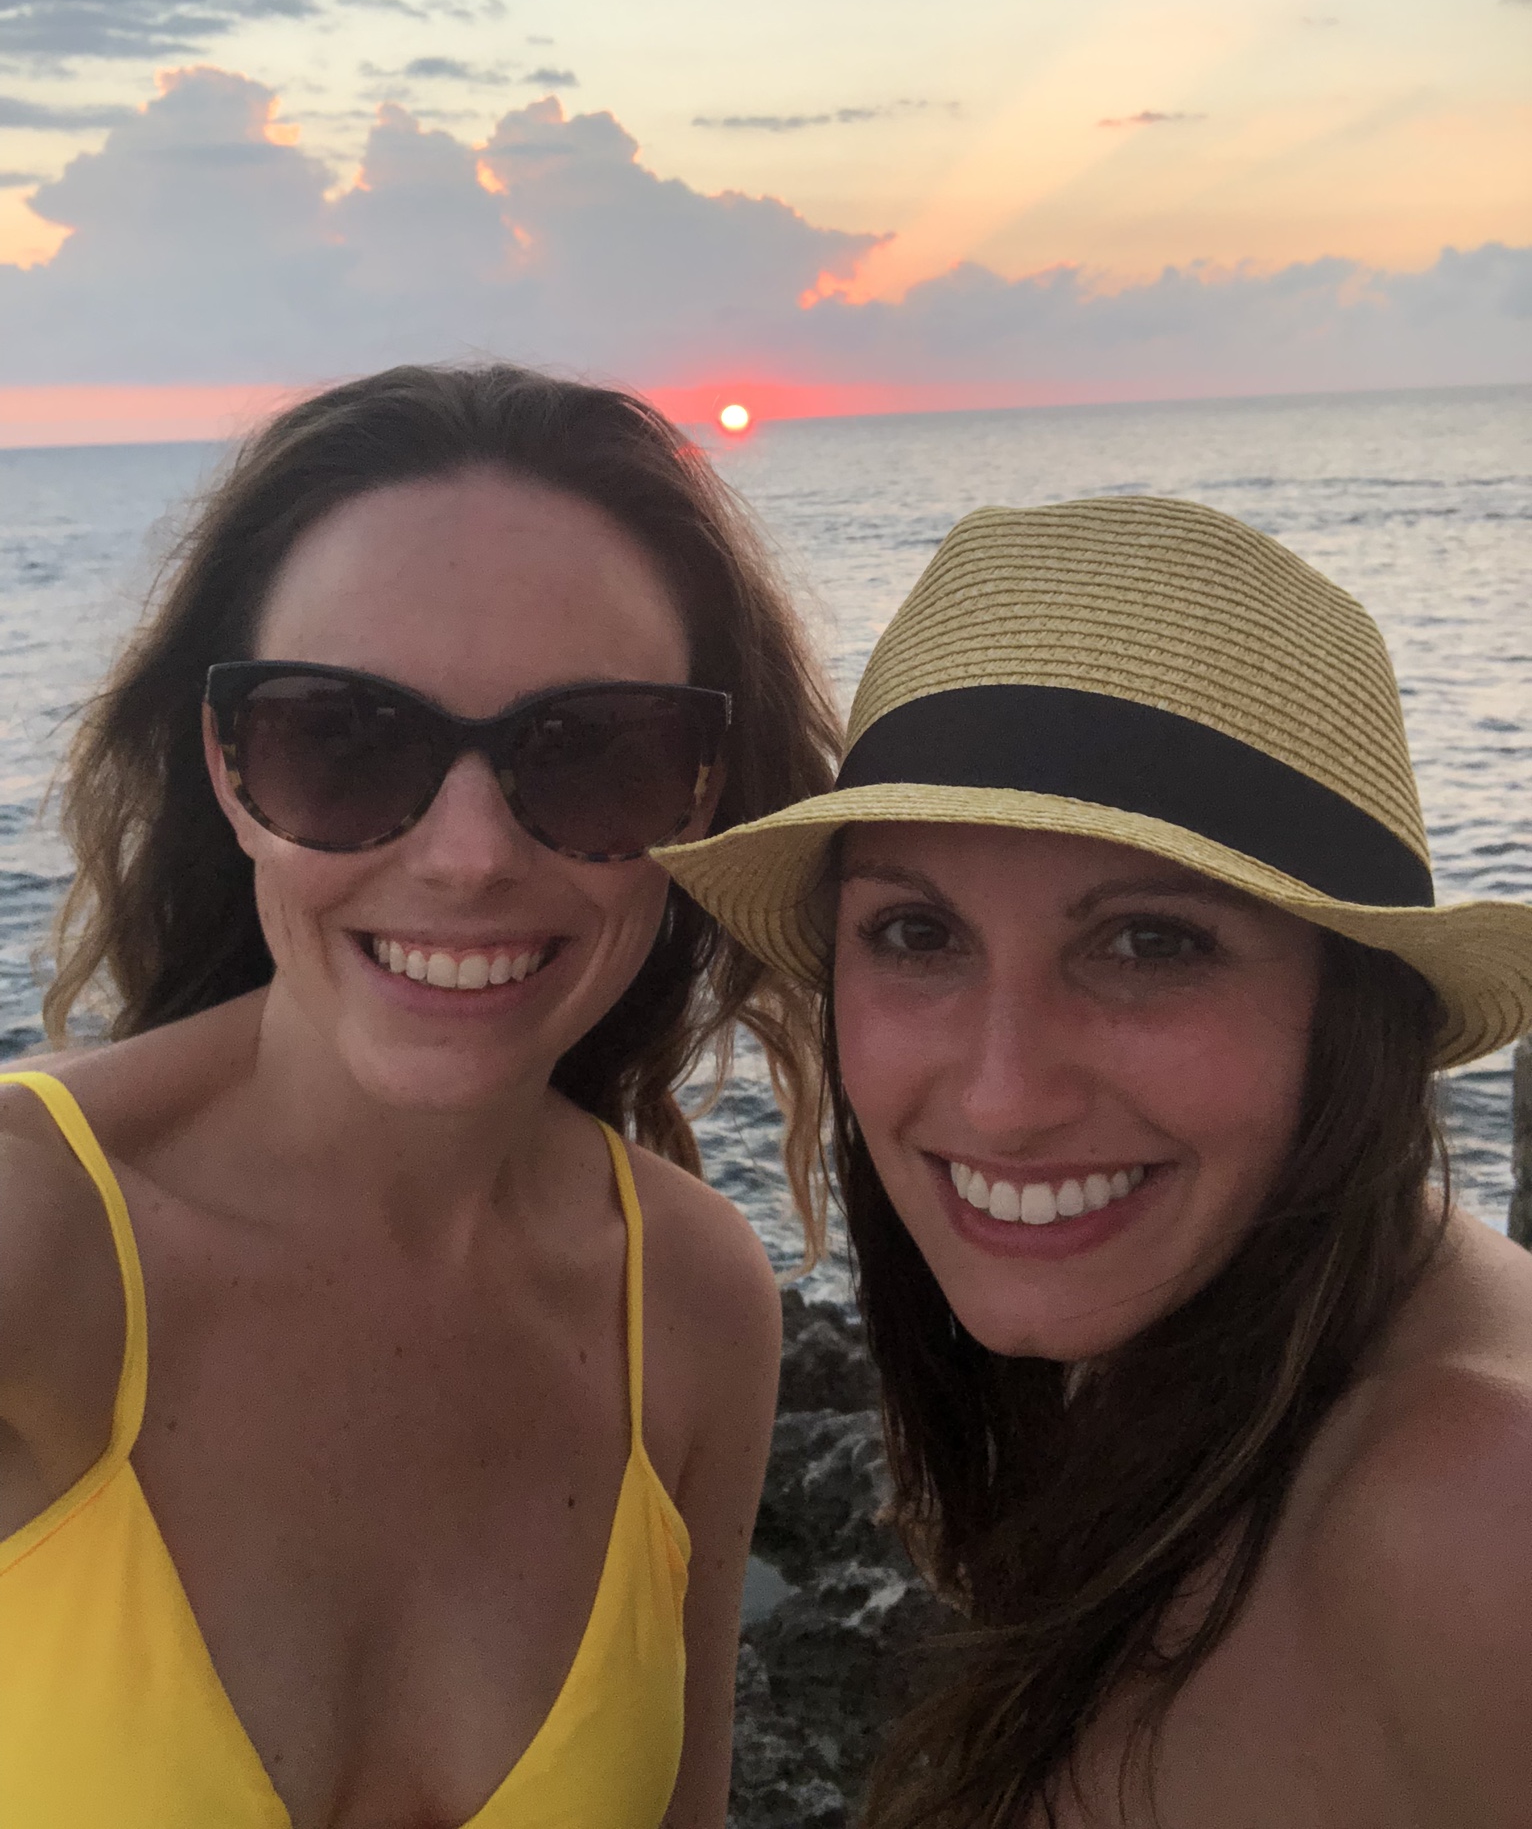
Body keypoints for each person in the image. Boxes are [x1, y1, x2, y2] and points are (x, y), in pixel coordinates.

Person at [0, 364, 839, 1829]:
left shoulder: (692, 1301)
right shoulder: (29, 1239)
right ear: (227, 768)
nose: (469, 856)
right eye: (343, 735)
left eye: (594, 752)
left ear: (702, 801)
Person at [659, 497, 1532, 1829]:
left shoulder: (1475, 1517)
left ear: (1353, 1005)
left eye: (1149, 943)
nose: (1003, 1100)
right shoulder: (1220, 1349)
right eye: (916, 932)